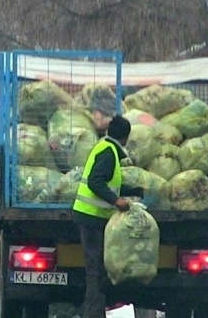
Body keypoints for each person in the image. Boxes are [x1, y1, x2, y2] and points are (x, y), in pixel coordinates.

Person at [73, 114, 144, 318]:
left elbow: (110, 181)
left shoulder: (106, 147)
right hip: (91, 217)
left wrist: (137, 190)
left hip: (93, 217)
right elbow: (96, 182)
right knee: (95, 269)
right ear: (126, 137)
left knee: (99, 268)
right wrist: (116, 201)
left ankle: (97, 311)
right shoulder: (109, 152)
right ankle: (94, 314)